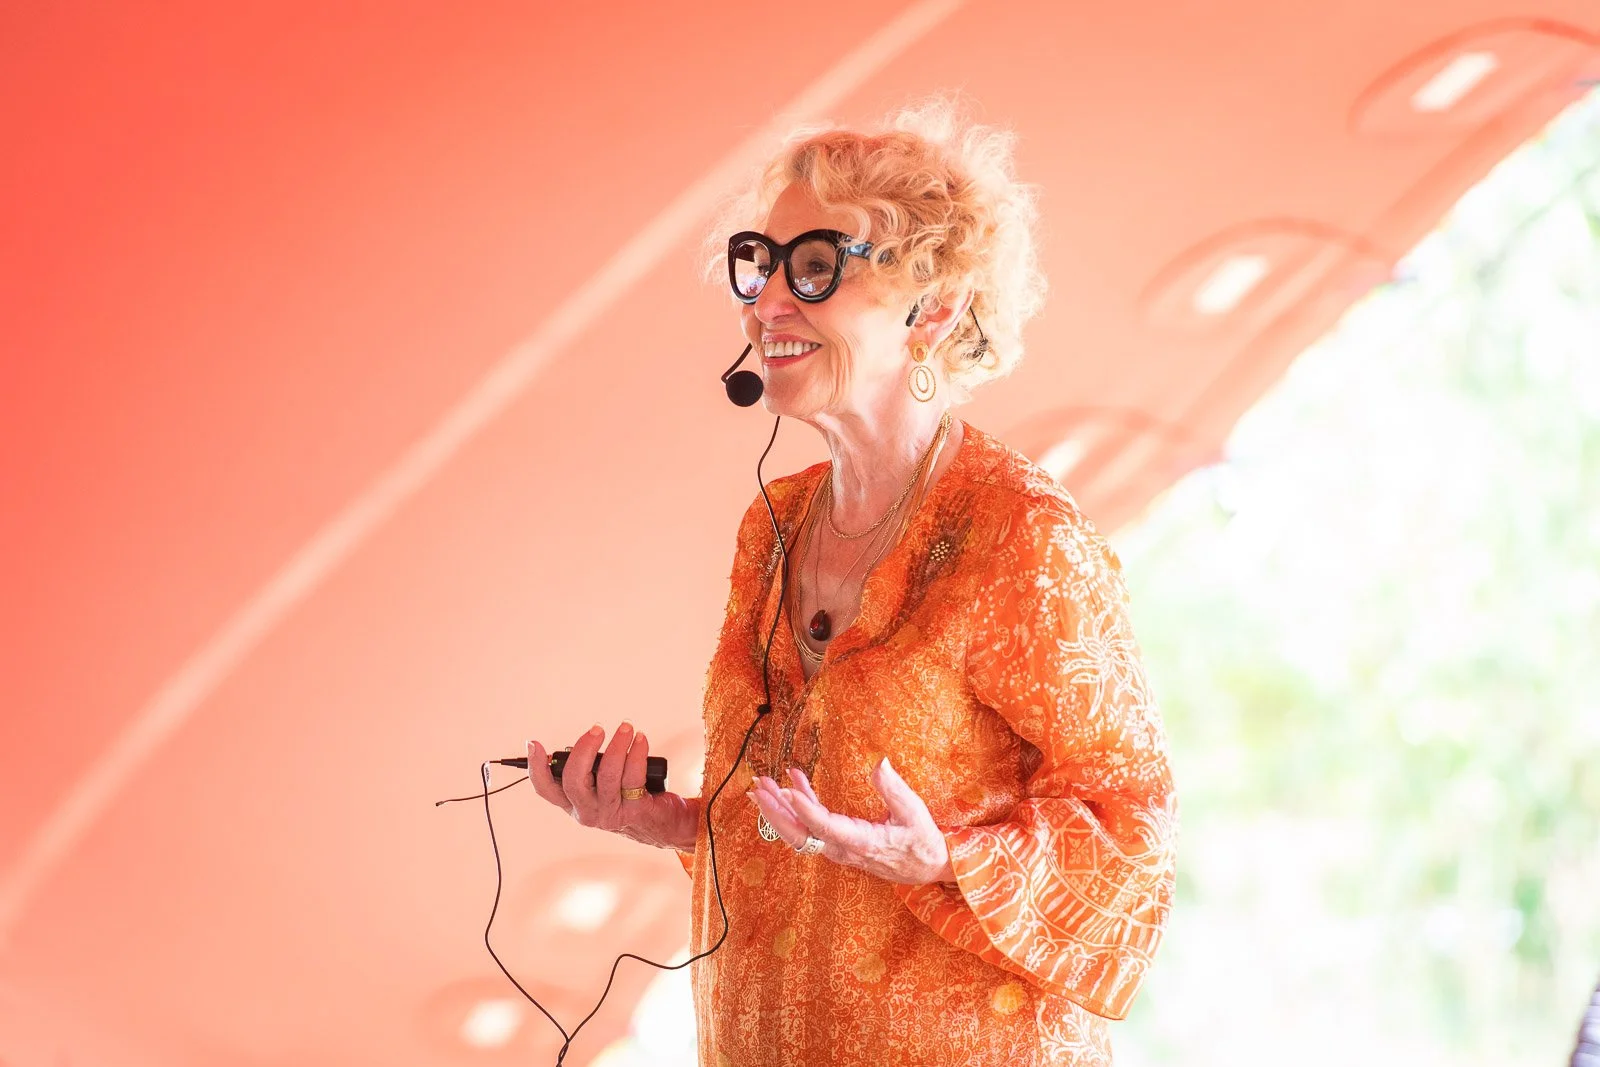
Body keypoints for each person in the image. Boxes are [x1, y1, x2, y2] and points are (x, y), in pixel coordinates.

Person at [527, 100, 1177, 1066]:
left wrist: (946, 859)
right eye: (761, 263)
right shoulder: (774, 526)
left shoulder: (1021, 537)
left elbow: (1132, 832)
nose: (767, 304)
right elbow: (799, 833)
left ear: (934, 308)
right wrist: (673, 822)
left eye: (816, 267)